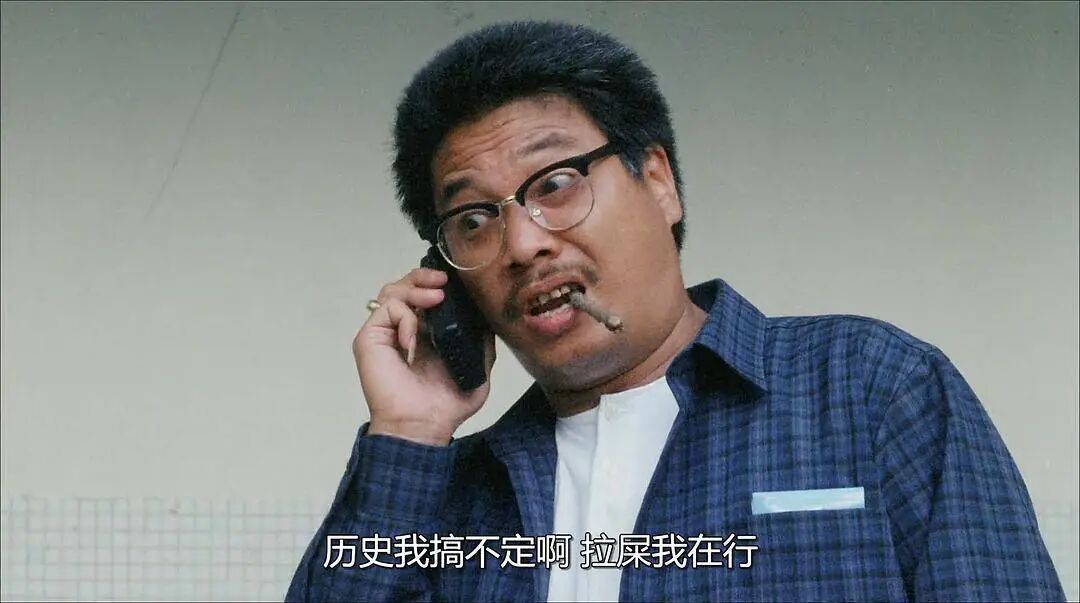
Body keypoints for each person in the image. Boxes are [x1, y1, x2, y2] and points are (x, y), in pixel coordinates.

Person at [286, 21, 1063, 602]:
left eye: (555, 183)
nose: (521, 243)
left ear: (658, 181)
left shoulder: (870, 388)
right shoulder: (450, 495)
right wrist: (409, 431)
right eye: (474, 218)